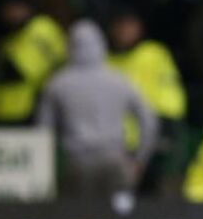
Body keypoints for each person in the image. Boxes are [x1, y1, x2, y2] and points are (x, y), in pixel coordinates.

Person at [37, 20, 157, 196]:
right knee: (118, 212)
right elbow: (148, 120)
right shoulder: (120, 80)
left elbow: (42, 130)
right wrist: (139, 160)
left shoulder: (57, 83)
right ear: (102, 44)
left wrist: (49, 168)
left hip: (77, 165)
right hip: (115, 162)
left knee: (79, 213)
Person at [108, 10, 187, 193]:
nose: (124, 31)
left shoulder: (153, 54)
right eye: (120, 26)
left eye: (129, 25)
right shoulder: (106, 60)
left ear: (140, 28)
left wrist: (166, 125)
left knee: (152, 192)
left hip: (150, 137)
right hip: (115, 142)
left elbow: (170, 95)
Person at [0, 0, 65, 124]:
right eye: (8, 9)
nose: (12, 14)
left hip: (29, 111)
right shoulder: (6, 35)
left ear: (27, 8)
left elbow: (22, 71)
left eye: (16, 8)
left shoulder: (41, 27)